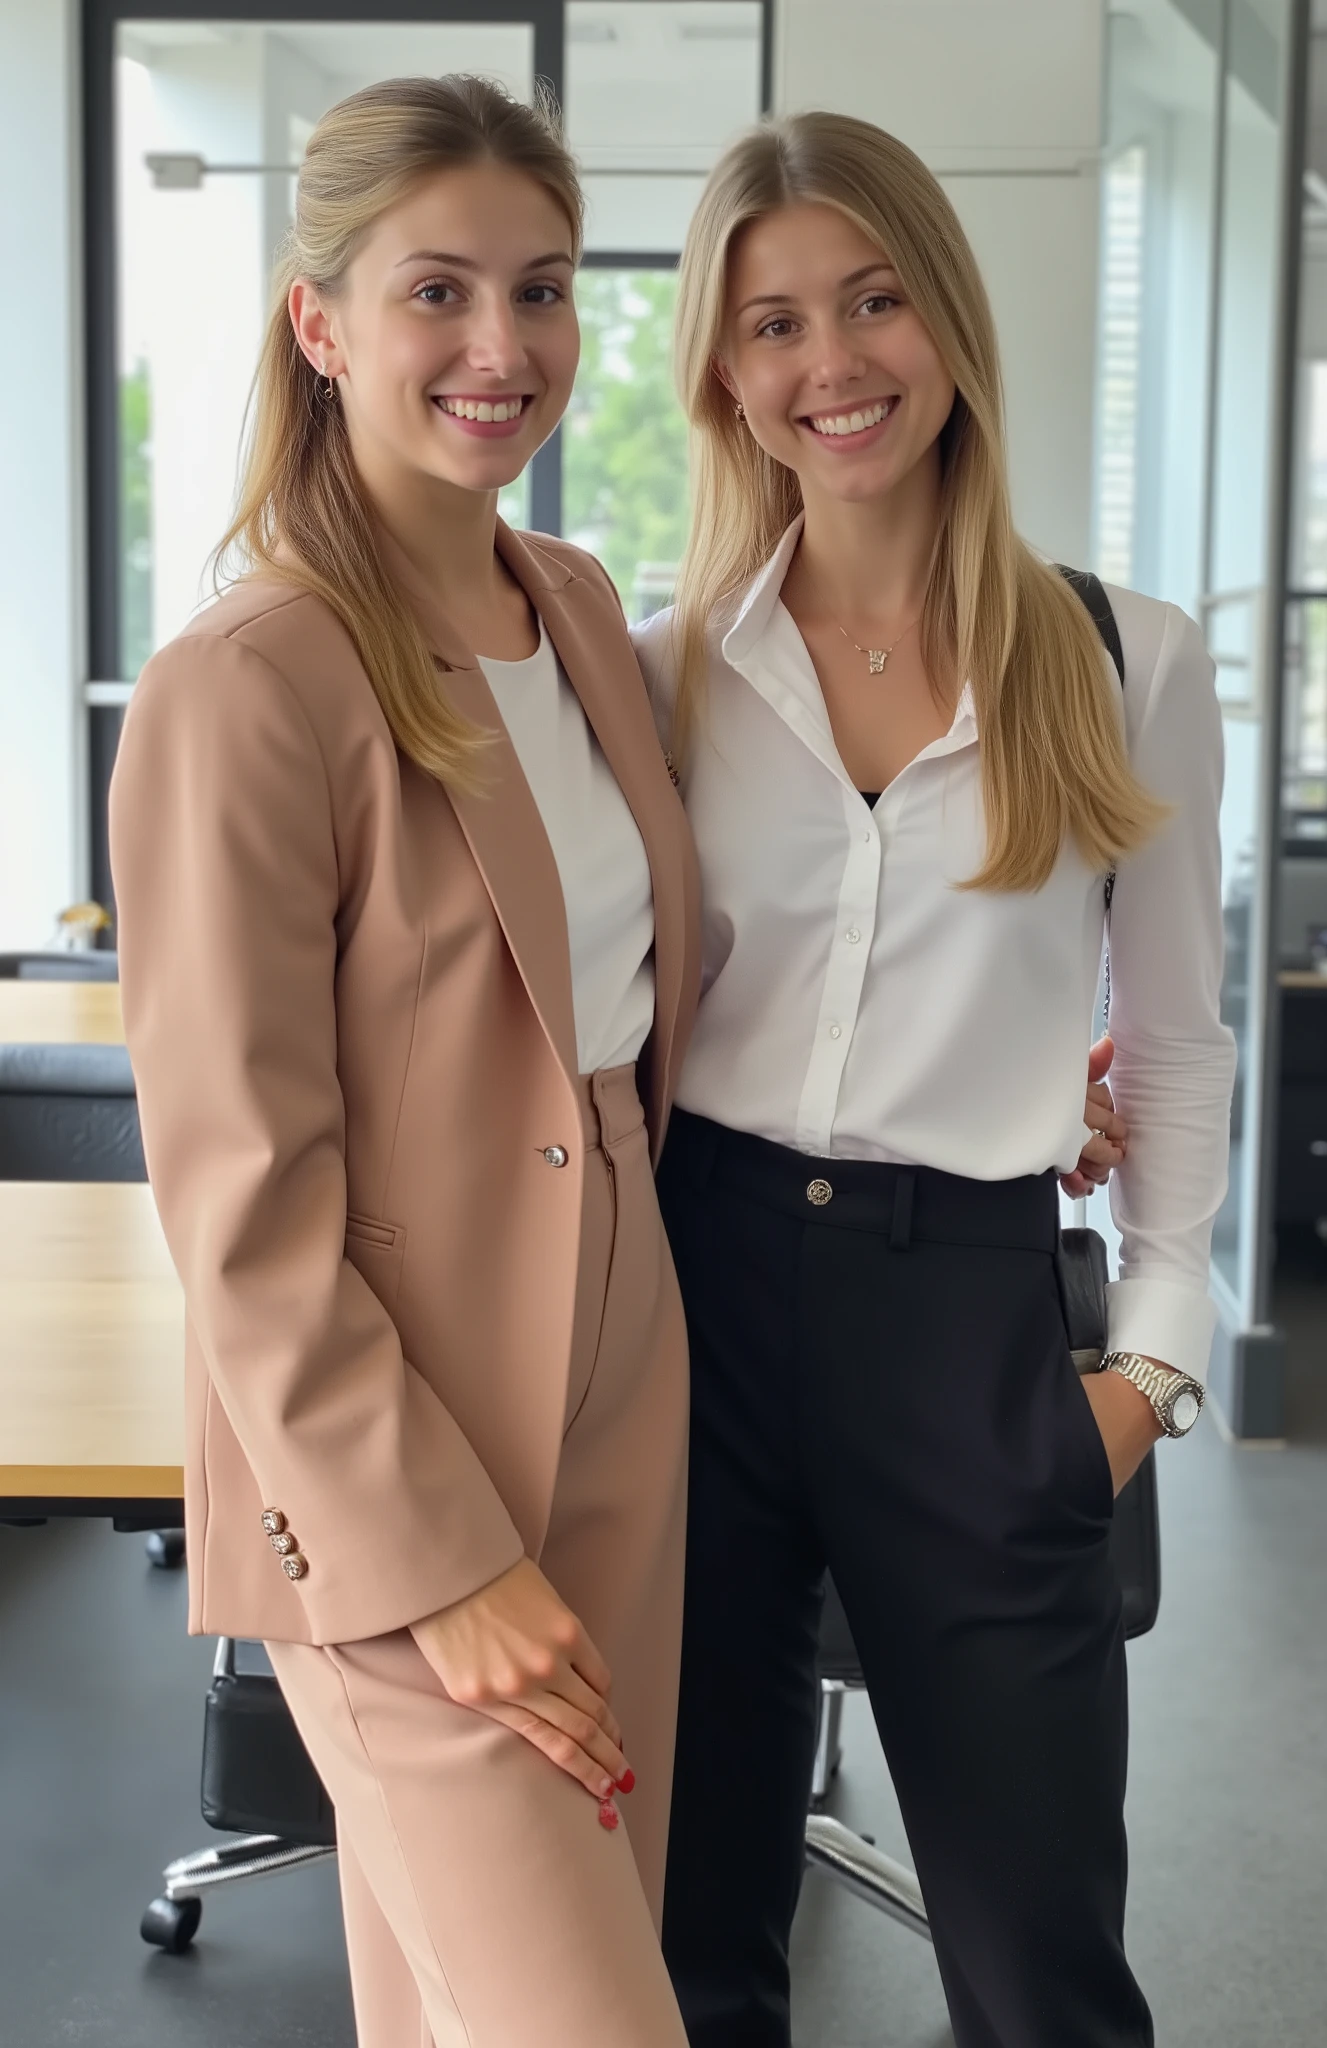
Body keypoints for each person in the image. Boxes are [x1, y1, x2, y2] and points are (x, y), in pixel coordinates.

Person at [109, 75, 700, 2048]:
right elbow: (243, 1207)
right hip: (394, 1426)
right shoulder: (249, 681)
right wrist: (435, 1564)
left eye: (540, 291)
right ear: (321, 321)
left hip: (624, 1362)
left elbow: (619, 986)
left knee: (463, 2001)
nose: (501, 348)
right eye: (436, 290)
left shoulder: (581, 609)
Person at [634, 111, 1236, 2048]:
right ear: (723, 374)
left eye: (875, 299)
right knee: (684, 1931)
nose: (834, 365)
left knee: (1038, 1955)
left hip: (968, 1311)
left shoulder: (1117, 655)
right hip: (693, 1292)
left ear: (948, 314)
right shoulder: (659, 672)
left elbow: (1172, 1038)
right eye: (775, 322)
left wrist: (1147, 1363)